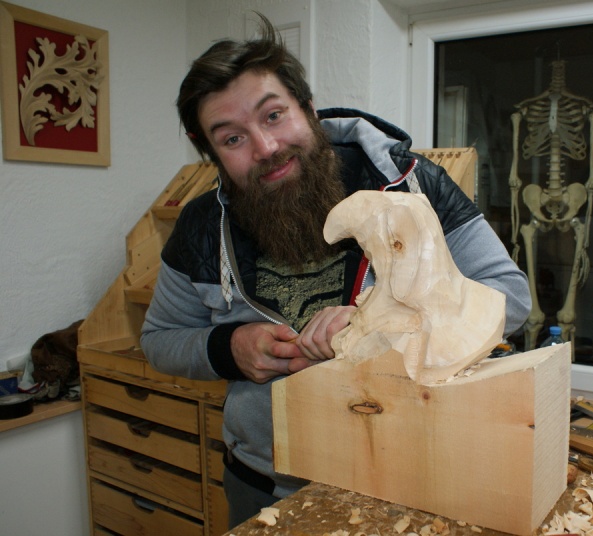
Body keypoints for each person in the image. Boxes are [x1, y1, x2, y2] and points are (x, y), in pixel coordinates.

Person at [140, 14, 532, 528]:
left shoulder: (413, 186)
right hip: (261, 481)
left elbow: (509, 297)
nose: (266, 148)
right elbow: (159, 340)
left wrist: (382, 324)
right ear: (211, 153)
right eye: (232, 139)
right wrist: (226, 348)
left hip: (407, 478)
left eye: (274, 115)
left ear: (307, 108)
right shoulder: (199, 226)